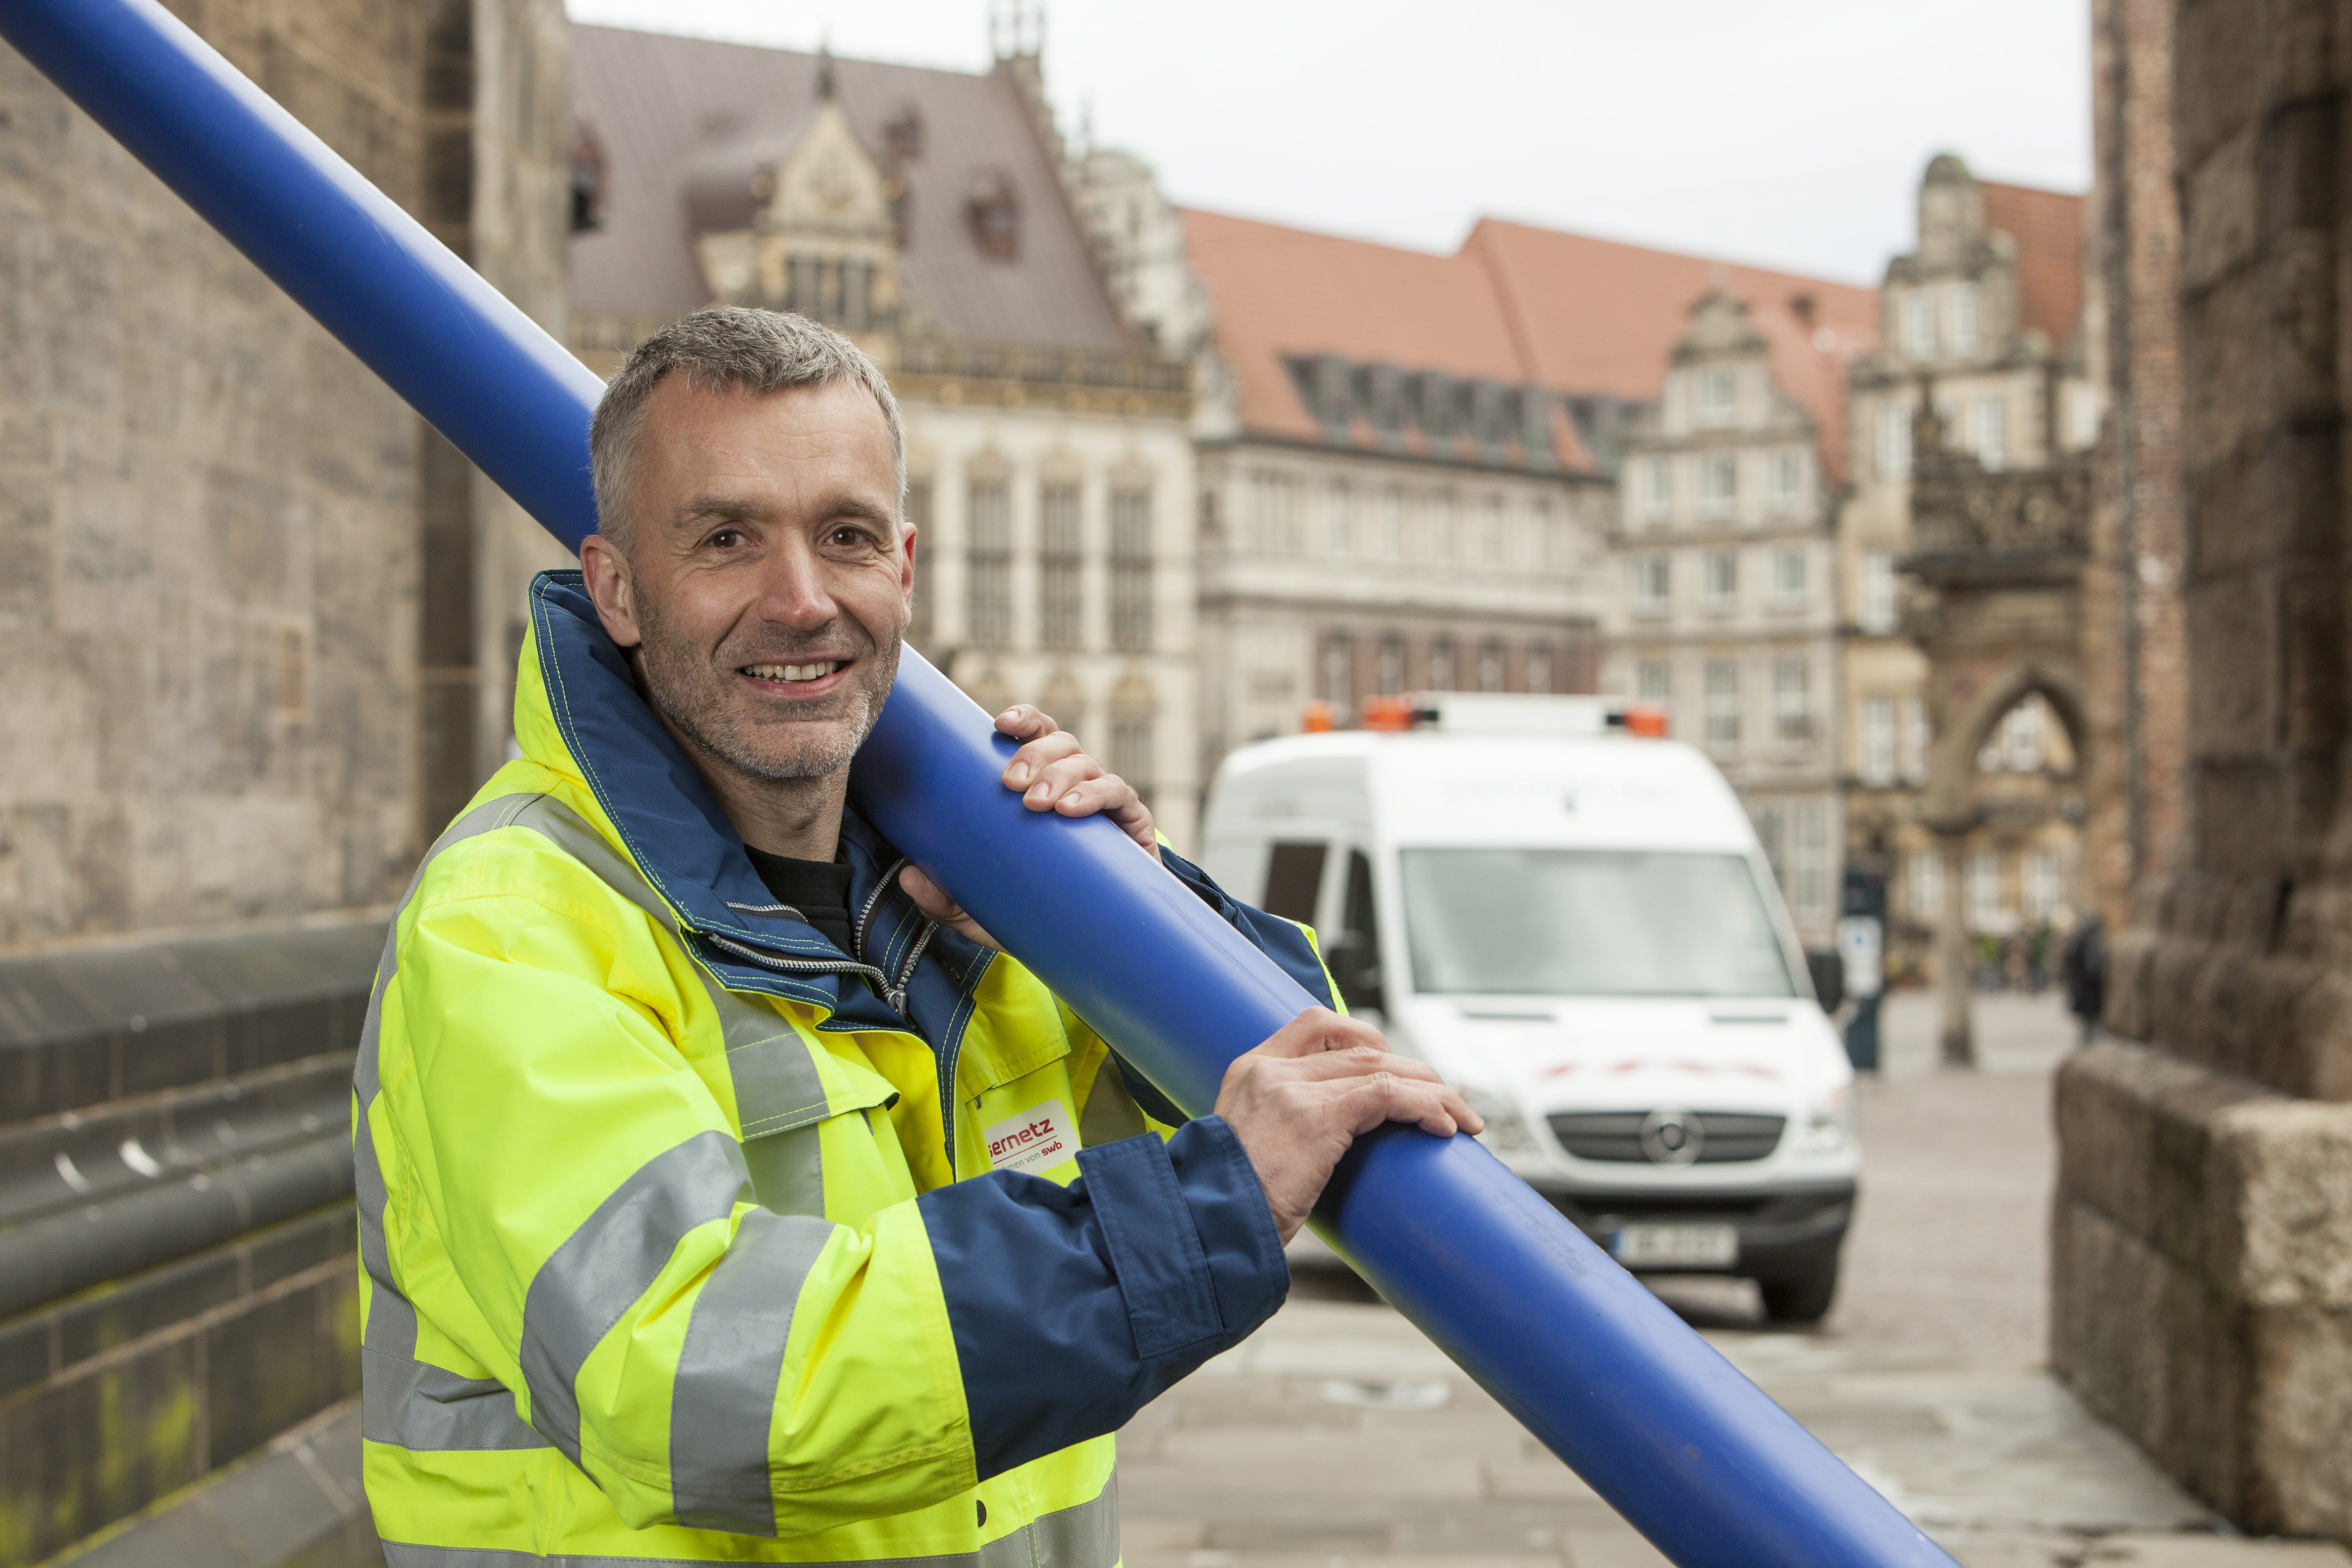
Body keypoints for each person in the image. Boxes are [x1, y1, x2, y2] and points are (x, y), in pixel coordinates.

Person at [354, 307, 1479, 1566]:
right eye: (725, 539)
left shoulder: (981, 906)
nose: (800, 601)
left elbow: (1285, 1083)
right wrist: (1208, 1206)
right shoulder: (509, 928)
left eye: (843, 538)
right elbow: (701, 1385)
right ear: (616, 586)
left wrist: (1136, 903)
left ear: (904, 568)